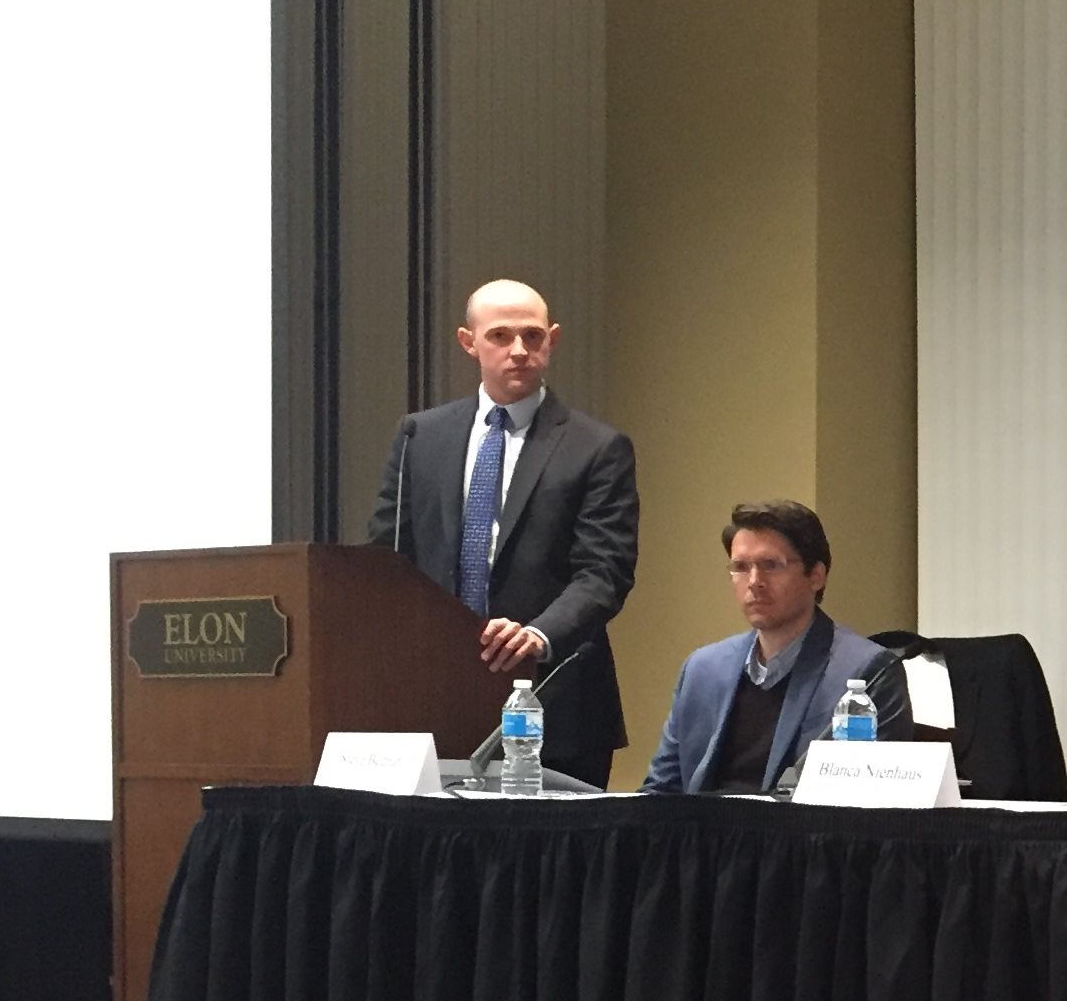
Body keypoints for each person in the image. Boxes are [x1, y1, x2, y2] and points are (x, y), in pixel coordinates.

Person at [366, 279, 639, 789]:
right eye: (500, 336)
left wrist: (538, 635)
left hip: (555, 702)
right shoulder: (420, 436)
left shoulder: (597, 448)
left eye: (533, 336)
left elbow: (605, 572)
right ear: (468, 342)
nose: (518, 350)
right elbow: (386, 559)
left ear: (552, 340)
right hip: (434, 695)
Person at [641, 501, 913, 795]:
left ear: (816, 576)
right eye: (741, 567)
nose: (754, 582)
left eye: (771, 565)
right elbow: (660, 792)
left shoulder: (867, 672)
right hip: (700, 825)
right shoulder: (701, 669)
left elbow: (867, 804)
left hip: (798, 825)